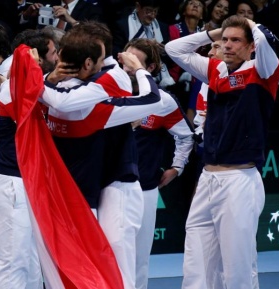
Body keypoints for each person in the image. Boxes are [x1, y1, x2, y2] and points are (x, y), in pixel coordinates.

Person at [165, 15, 279, 289]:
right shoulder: (215, 70)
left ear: (251, 46)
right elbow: (174, 49)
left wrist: (249, 24)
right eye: (225, 40)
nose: (227, 45)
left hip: (239, 180)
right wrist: (214, 33)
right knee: (196, 264)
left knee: (237, 268)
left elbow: (265, 40)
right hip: (207, 178)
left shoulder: (265, 71)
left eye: (235, 40)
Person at [43, 21, 163, 289]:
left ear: (87, 62)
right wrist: (50, 78)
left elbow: (61, 101)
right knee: (87, 262)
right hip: (90, 183)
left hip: (118, 181)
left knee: (117, 260)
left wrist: (140, 70)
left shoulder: (114, 77)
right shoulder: (75, 78)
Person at [0, 28, 58, 289]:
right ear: (33, 56)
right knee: (12, 263)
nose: (56, 57)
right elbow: (30, 89)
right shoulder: (13, 87)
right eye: (51, 52)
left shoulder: (31, 85)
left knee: (29, 265)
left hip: (27, 184)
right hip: (11, 184)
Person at [123, 38, 194, 289]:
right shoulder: (104, 92)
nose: (126, 66)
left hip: (144, 189)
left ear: (150, 68)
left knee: (138, 260)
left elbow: (186, 136)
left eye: (134, 62)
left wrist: (177, 167)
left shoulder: (162, 101)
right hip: (105, 188)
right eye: (125, 58)